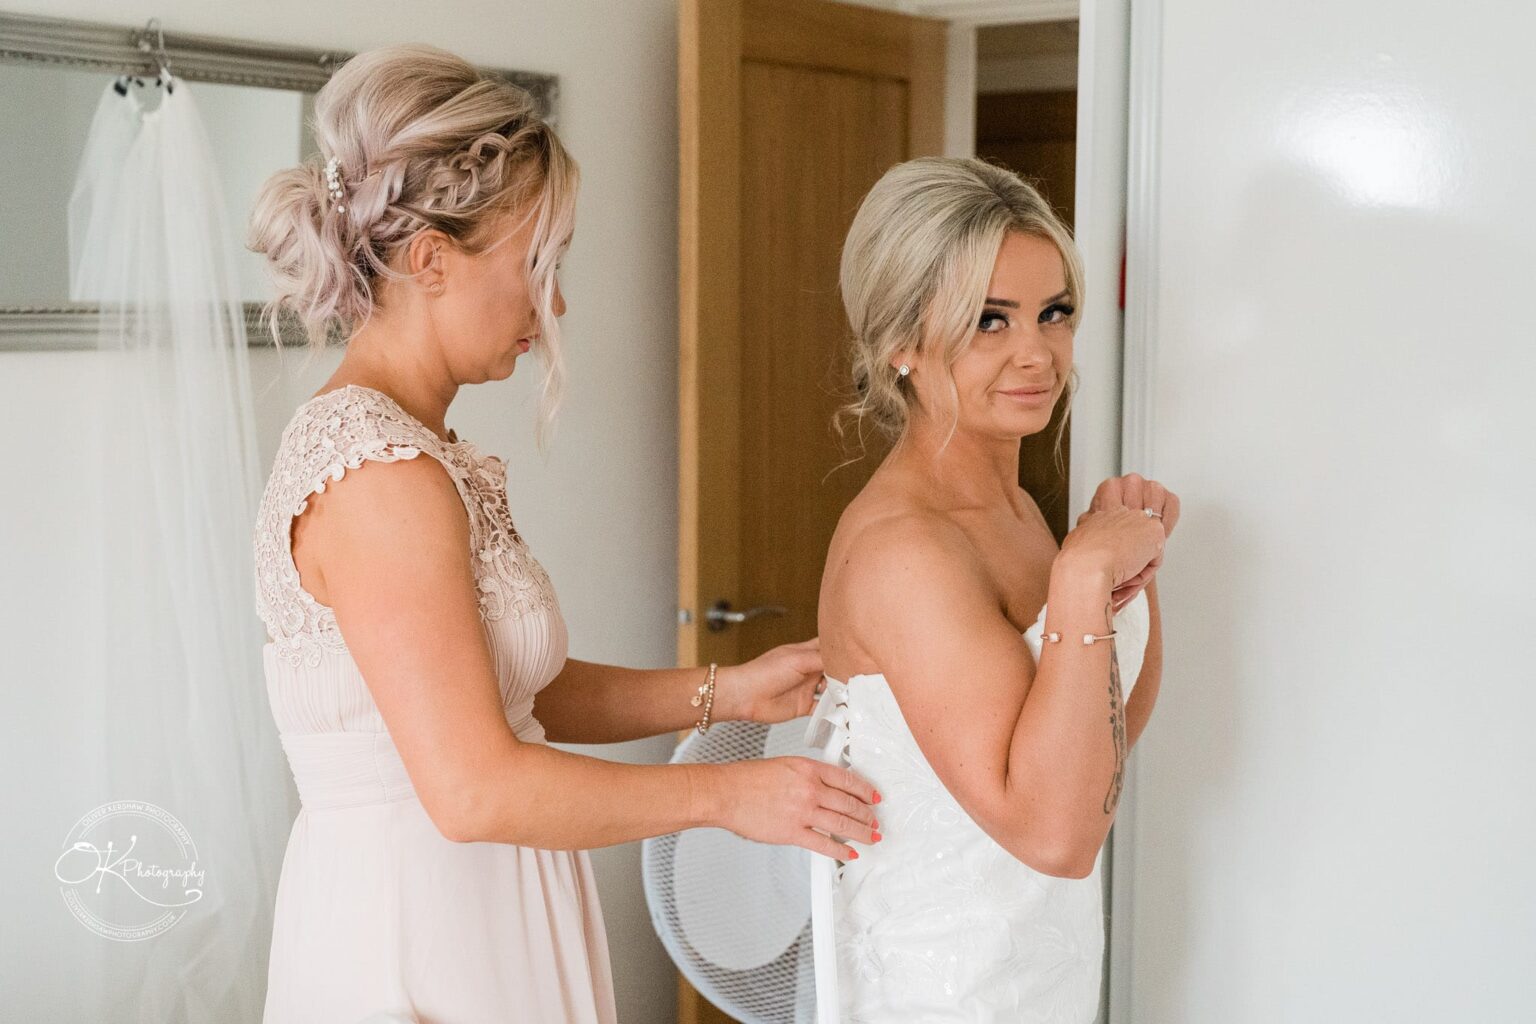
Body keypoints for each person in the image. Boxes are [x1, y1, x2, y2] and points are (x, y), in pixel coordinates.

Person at [246, 44, 881, 1024]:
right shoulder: (380, 478)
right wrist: (728, 795)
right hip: (420, 926)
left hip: (478, 900)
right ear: (429, 260)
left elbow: (514, 691)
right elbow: (473, 789)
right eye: (537, 266)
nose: (556, 305)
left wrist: (725, 691)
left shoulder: (416, 450)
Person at [810, 156, 1180, 1021]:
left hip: (1043, 975)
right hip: (947, 990)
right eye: (989, 320)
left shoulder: (1014, 512)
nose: (1036, 352)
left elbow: (1099, 755)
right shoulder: (906, 550)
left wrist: (1127, 572)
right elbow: (1055, 835)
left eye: (1054, 313)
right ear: (901, 343)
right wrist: (1082, 580)